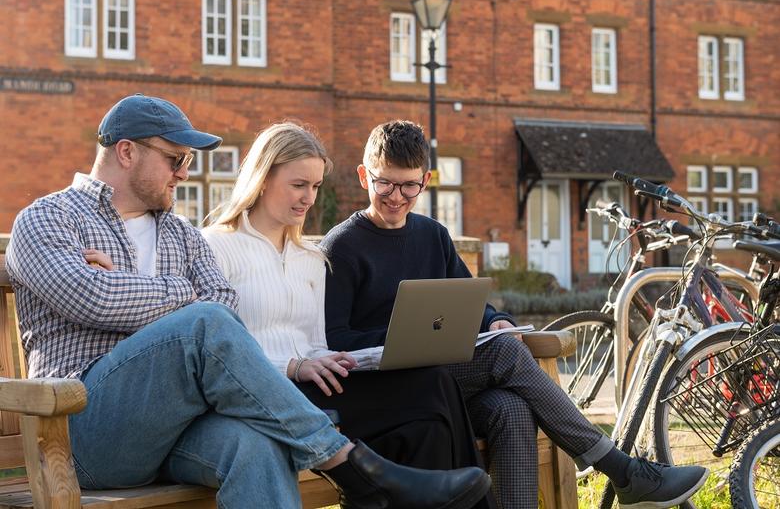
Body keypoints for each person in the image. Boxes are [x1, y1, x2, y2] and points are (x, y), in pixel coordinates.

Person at [4, 95, 491, 509]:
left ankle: (357, 474)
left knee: (258, 445)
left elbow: (222, 306)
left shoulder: (180, 235)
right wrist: (178, 296)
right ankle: (349, 465)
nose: (183, 174)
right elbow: (94, 298)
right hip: (81, 430)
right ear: (127, 152)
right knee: (203, 321)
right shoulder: (49, 219)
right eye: (175, 159)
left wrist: (131, 289)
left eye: (187, 162)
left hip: (176, 426)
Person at [320, 120, 710, 509]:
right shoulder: (342, 246)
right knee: (505, 354)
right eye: (384, 183)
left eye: (409, 186)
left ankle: (622, 473)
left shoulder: (432, 235)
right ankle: (620, 468)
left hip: (441, 383)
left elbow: (468, 303)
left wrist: (495, 321)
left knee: (511, 408)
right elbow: (334, 338)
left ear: (425, 181)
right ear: (363, 175)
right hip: (385, 388)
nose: (396, 196)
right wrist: (401, 341)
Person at [202, 121, 495, 508]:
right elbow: (215, 350)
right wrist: (293, 365)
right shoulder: (216, 247)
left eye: (315, 187)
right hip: (267, 392)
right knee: (428, 391)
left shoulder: (310, 258)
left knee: (427, 412)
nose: (308, 198)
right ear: (262, 178)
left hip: (318, 383)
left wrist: (333, 359)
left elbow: (319, 341)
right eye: (298, 185)